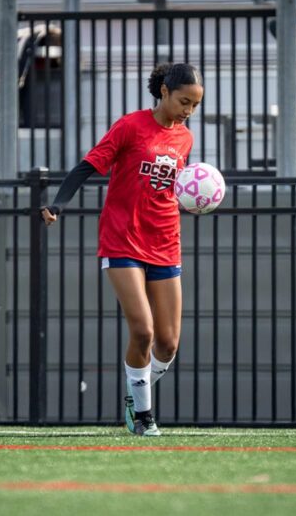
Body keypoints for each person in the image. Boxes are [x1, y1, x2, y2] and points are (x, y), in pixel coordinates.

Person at [41, 63, 203, 436]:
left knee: (168, 343)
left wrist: (196, 200)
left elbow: (176, 187)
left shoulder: (185, 138)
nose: (187, 111)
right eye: (183, 102)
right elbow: (88, 166)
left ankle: (136, 391)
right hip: (123, 240)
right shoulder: (130, 126)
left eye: (194, 106)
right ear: (163, 91)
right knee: (143, 331)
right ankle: (143, 416)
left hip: (166, 240)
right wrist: (58, 204)